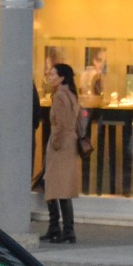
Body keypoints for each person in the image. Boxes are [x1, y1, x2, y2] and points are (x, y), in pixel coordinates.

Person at [41, 63, 82, 244]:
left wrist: (55, 142)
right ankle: (65, 229)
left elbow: (60, 124)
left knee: (54, 186)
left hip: (61, 146)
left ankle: (58, 228)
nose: (50, 78)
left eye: (53, 75)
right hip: (70, 143)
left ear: (62, 77)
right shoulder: (72, 94)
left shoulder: (59, 96)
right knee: (63, 187)